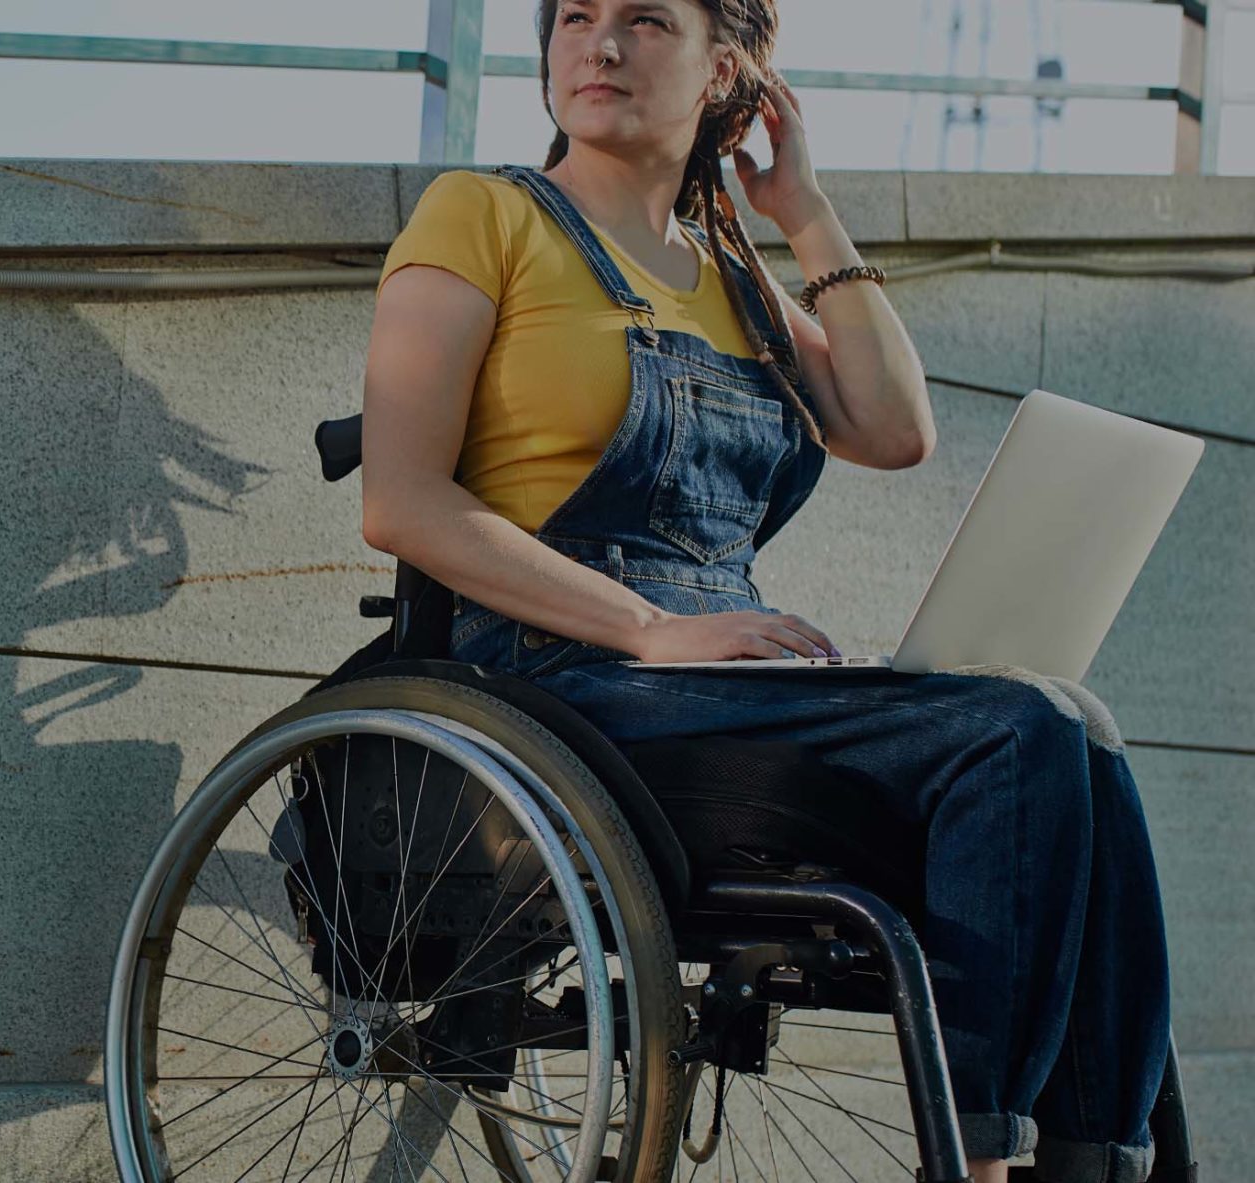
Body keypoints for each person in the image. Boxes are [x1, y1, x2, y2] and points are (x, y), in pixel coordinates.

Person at [357, 2, 1174, 1181]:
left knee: (1079, 737)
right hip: (559, 681)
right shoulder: (482, 214)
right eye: (575, 16)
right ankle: (985, 1165)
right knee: (1016, 732)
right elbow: (403, 501)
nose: (600, 45)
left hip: (712, 677)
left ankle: (1096, 1163)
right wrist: (648, 625)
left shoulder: (729, 275)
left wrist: (797, 207)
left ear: (725, 71)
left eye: (644, 19)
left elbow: (894, 427)